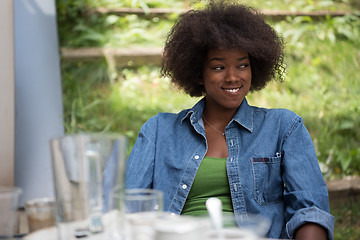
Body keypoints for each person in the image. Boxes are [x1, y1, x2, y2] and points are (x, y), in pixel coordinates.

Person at [125, 1, 335, 239]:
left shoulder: (284, 127)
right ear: (198, 73)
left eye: (242, 65)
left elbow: (310, 212)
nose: (233, 77)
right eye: (219, 67)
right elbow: (128, 207)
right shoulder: (159, 131)